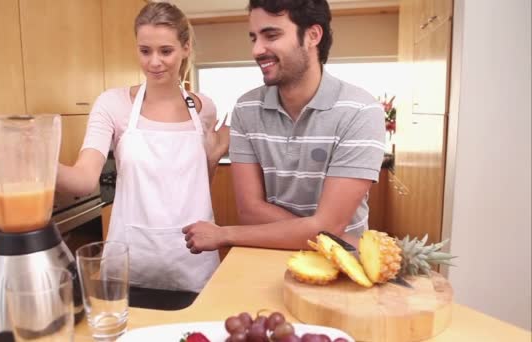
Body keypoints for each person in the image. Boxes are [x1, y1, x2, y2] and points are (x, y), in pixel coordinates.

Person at [183, 0, 385, 253]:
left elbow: (330, 224)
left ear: (312, 36)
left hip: (340, 266)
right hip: (275, 254)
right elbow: (249, 211)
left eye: (271, 35)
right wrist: (327, 235)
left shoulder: (361, 111)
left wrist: (225, 234)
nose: (257, 50)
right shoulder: (247, 108)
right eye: (253, 38)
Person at [57, 2, 229, 292]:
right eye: (145, 51)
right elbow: (83, 180)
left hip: (192, 261)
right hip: (129, 263)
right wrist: (36, 161)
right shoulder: (112, 104)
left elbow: (197, 186)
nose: (154, 62)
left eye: (165, 51)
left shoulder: (204, 108)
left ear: (185, 48)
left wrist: (213, 157)